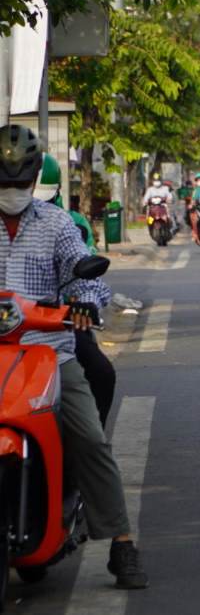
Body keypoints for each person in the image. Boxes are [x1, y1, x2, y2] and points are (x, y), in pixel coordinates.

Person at [0, 125, 148, 588]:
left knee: (89, 438)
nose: (13, 193)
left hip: (47, 351)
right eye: (5, 185)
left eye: (20, 184)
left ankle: (121, 542)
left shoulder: (57, 224)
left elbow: (86, 277)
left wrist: (84, 302)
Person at [32, 152, 114, 426]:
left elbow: (86, 275)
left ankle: (91, 442)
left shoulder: (67, 223)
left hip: (57, 330)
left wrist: (84, 302)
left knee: (101, 373)